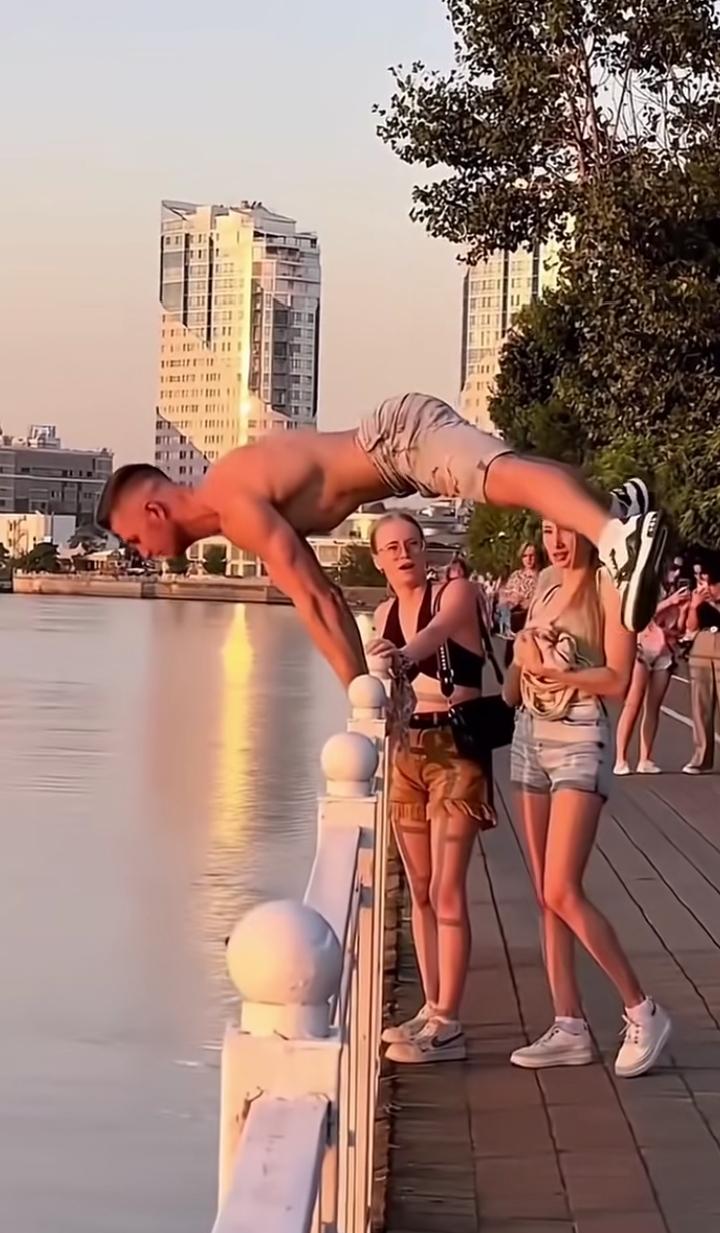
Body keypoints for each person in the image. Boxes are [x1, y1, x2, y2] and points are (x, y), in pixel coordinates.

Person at [96, 393, 666, 687]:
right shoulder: (231, 500)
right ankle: (619, 508)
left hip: (396, 441)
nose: (139, 551)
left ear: (153, 509)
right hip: (398, 454)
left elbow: (317, 600)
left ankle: (614, 536)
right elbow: (323, 596)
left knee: (499, 477)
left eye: (133, 538)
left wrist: (358, 695)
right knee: (514, 475)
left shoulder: (231, 502)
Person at [504, 521, 672, 1077]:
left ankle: (642, 1010)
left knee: (562, 888)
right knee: (545, 895)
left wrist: (561, 669)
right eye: (548, 530)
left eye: (567, 530)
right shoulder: (544, 582)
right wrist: (522, 656)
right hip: (530, 732)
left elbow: (620, 680)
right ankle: (569, 1025)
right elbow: (515, 680)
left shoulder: (608, 585)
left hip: (579, 736)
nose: (557, 541)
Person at [365, 514, 495, 1063]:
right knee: (418, 886)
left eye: (412, 544)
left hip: (454, 747)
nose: (404, 554)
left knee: (446, 887)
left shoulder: (454, 593)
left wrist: (397, 656)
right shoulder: (382, 613)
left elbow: (435, 635)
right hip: (406, 747)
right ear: (377, 560)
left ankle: (449, 1022)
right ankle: (431, 1004)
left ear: (425, 549)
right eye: (392, 548)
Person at [614, 575, 690, 774]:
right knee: (633, 704)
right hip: (642, 647)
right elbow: (638, 615)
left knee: (653, 707)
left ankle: (645, 759)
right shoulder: (644, 585)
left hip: (665, 652)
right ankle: (621, 758)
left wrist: (682, 609)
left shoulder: (675, 589)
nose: (674, 573)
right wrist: (669, 602)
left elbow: (679, 629)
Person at [683, 553, 720, 774]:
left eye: (707, 580)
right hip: (702, 647)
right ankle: (701, 758)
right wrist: (694, 607)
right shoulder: (699, 599)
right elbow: (690, 627)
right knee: (701, 706)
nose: (703, 585)